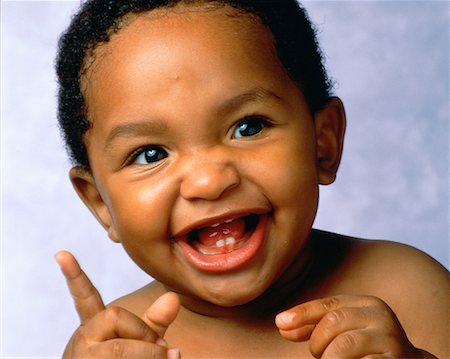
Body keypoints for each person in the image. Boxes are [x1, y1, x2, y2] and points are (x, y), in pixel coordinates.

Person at [54, 0, 449, 358]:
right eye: (150, 154)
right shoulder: (117, 349)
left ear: (323, 143)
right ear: (100, 203)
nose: (209, 182)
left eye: (248, 127)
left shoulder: (409, 291)